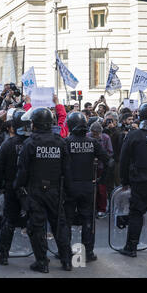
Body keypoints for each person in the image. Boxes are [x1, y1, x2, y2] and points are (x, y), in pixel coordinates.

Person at [14, 107, 73, 273]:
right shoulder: (60, 142)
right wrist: (68, 191)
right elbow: (67, 170)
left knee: (37, 227)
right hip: (55, 190)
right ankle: (66, 260)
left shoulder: (30, 143)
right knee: (59, 226)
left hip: (36, 191)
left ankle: (42, 262)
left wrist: (18, 187)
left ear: (35, 124)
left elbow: (22, 170)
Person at [64, 112, 112, 262]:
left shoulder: (66, 142)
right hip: (88, 186)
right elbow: (109, 161)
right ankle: (88, 252)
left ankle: (65, 252)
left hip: (70, 186)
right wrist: (101, 180)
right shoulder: (93, 142)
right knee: (88, 220)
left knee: (67, 219)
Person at [0, 109, 31, 265]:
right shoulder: (34, 142)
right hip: (31, 189)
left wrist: (1, 185)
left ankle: (3, 255)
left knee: (9, 221)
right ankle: (41, 258)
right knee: (35, 220)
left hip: (12, 188)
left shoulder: (8, 144)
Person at [118, 103, 147, 257]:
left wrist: (124, 181)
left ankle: (131, 247)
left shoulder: (133, 135)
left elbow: (124, 160)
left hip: (141, 182)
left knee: (136, 214)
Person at [87, 122, 113, 218]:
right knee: (91, 189)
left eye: (97, 133)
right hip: (89, 166)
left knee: (101, 189)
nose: (95, 135)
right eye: (93, 133)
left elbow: (110, 152)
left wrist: (101, 157)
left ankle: (102, 208)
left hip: (102, 167)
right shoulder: (87, 136)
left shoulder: (106, 138)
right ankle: (92, 208)